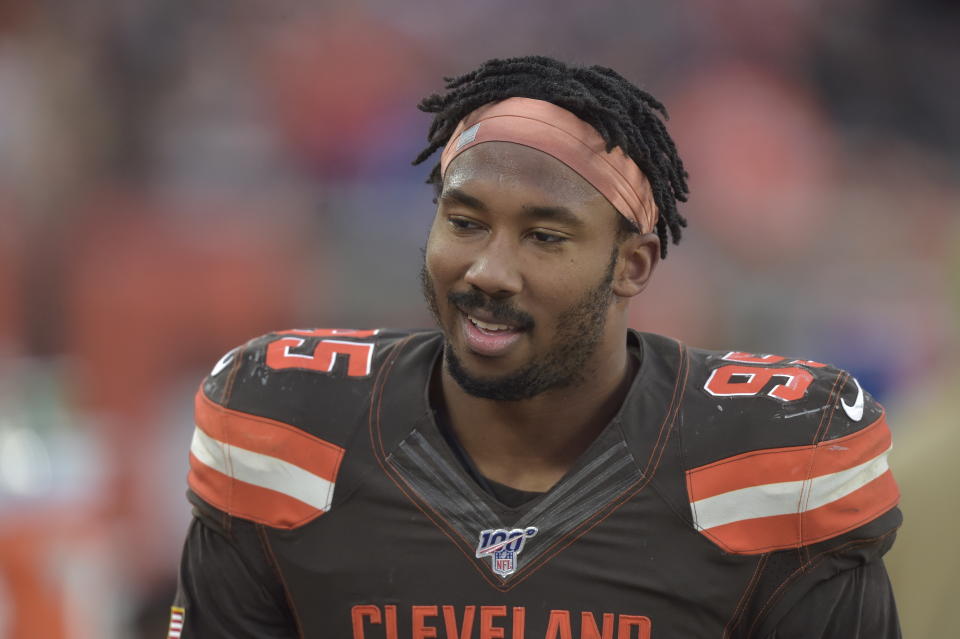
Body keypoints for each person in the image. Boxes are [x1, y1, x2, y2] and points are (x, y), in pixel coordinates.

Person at [171, 56, 901, 638]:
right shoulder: (289, 426)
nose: (488, 269)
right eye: (464, 221)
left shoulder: (775, 456)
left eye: (544, 236)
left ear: (633, 265)